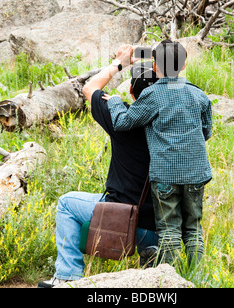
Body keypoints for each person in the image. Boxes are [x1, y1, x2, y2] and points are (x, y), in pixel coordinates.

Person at [38, 45, 159, 288]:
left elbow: (89, 88)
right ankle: (152, 256)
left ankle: (67, 276)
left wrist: (119, 63)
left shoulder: (121, 117)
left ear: (132, 93)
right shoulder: (172, 121)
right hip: (159, 224)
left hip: (122, 219)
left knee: (67, 204)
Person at [103, 40, 213, 267]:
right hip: (196, 173)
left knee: (169, 230)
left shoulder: (152, 95)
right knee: (193, 229)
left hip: (165, 175)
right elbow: (206, 132)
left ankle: (170, 280)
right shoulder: (199, 95)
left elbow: (123, 123)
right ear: (183, 65)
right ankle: (197, 278)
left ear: (154, 66)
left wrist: (114, 101)